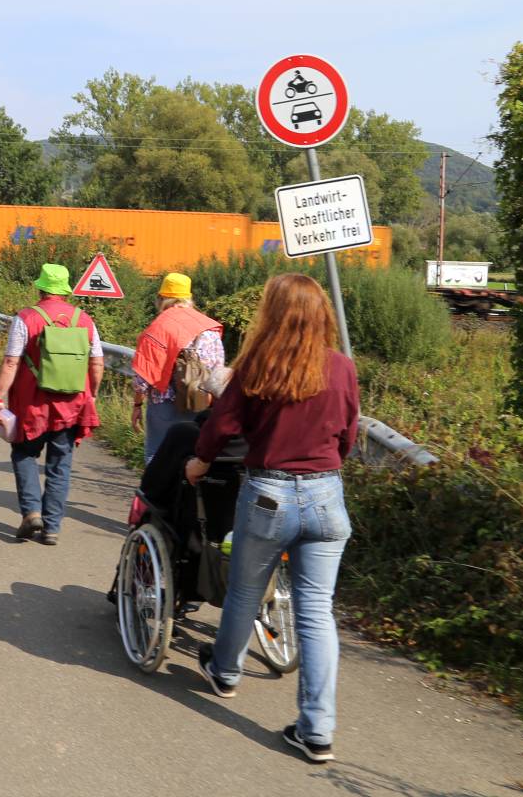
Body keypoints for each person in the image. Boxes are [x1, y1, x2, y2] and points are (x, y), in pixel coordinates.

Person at [186, 273, 360, 764]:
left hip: (269, 494)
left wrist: (199, 461)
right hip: (327, 496)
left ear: (273, 313)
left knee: (243, 589)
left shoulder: (258, 365)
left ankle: (225, 673)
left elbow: (221, 427)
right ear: (321, 313)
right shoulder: (342, 368)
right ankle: (317, 731)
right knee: (316, 612)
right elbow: (348, 435)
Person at [0, 263, 104, 545]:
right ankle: (51, 528)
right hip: (72, 404)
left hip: (33, 404)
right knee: (60, 464)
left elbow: (12, 361)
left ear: (40, 288)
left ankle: (31, 513)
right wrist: (93, 394)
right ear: (64, 290)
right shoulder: (85, 319)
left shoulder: (26, 318)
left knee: (25, 454)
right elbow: (97, 362)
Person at [130, 272, 226, 463]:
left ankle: (156, 492)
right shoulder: (208, 328)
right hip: (198, 402)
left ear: (162, 298)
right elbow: (218, 371)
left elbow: (143, 377)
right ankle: (184, 492)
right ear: (189, 297)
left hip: (163, 403)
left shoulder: (158, 327)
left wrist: (138, 404)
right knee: (190, 456)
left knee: (157, 455)